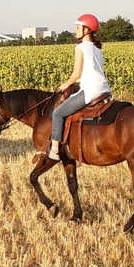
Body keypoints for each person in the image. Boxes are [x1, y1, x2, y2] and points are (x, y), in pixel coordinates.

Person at [47, 14, 110, 160]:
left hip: (91, 90)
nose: (75, 30)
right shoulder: (97, 48)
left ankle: (55, 149)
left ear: (87, 30)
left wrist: (64, 85)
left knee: (58, 113)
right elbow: (91, 71)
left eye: (78, 27)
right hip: (105, 89)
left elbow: (76, 74)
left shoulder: (80, 47)